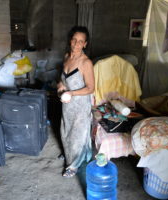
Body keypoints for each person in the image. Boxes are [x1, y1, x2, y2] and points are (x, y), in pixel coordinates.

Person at [57, 26, 95, 177]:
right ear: (70, 41)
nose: (77, 44)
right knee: (66, 130)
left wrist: (71, 93)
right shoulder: (67, 56)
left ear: (85, 44)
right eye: (74, 40)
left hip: (80, 104)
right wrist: (60, 85)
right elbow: (62, 78)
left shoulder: (86, 63)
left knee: (78, 134)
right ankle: (69, 154)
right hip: (67, 103)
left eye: (81, 41)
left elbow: (91, 88)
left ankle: (73, 165)